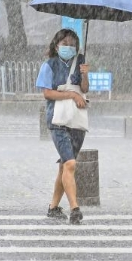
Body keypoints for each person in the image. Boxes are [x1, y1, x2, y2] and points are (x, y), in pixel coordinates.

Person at [35, 28, 90, 225]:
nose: (68, 47)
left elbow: (85, 89)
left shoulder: (80, 62)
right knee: (70, 163)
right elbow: (47, 93)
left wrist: (84, 75)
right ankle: (75, 208)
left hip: (76, 120)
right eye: (64, 43)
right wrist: (72, 95)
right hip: (57, 120)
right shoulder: (49, 65)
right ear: (56, 45)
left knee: (64, 167)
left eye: (72, 44)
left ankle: (53, 207)